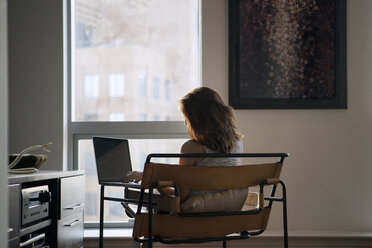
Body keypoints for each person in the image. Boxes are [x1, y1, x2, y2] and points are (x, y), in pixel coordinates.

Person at [123, 86, 247, 210]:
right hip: (225, 211)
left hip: (194, 212)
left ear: (198, 120)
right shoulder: (237, 143)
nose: (186, 123)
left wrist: (154, 180)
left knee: (138, 197)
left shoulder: (191, 148)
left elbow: (180, 198)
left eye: (187, 118)